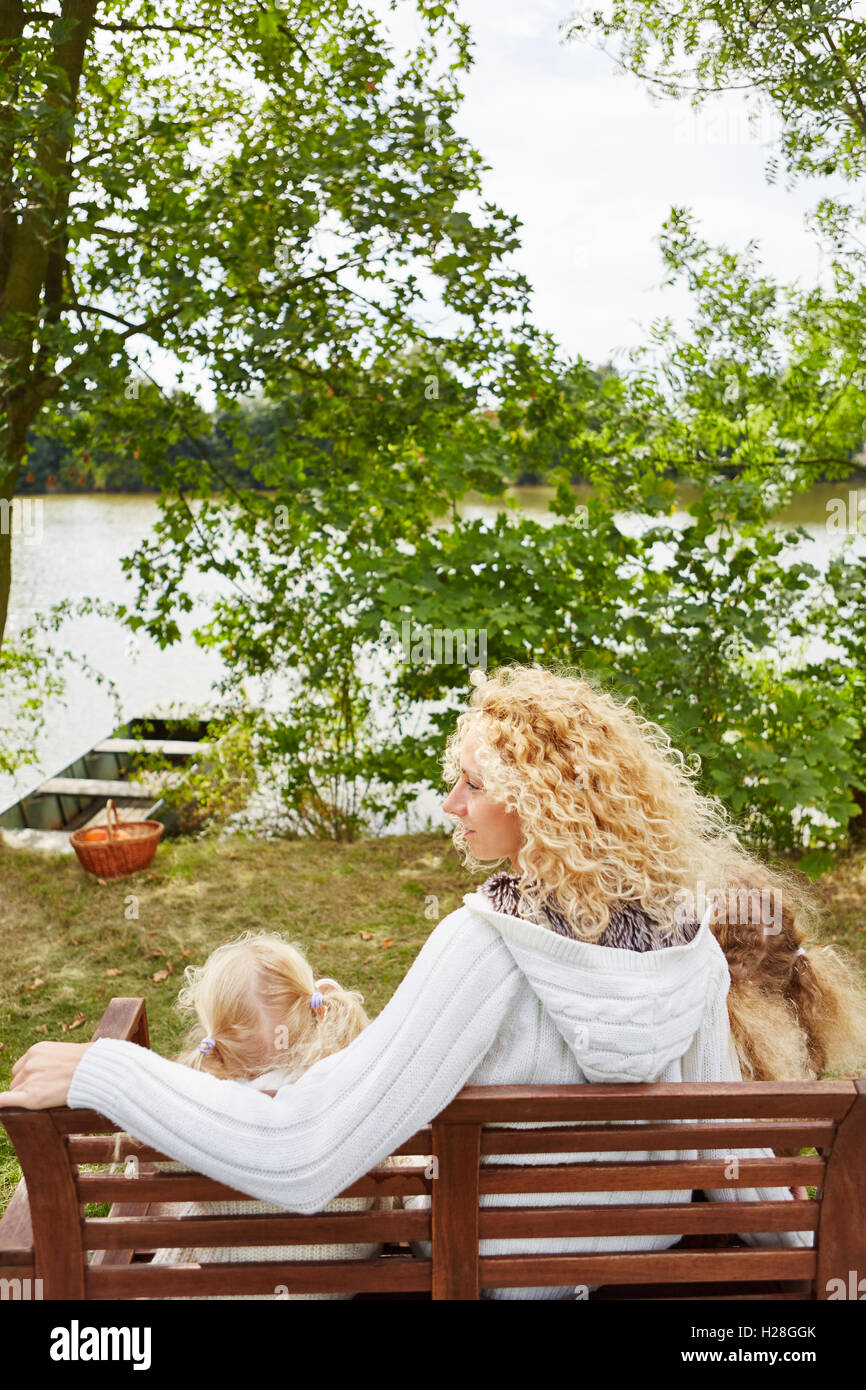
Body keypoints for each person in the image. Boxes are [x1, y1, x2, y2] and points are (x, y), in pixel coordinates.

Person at [5, 664, 865, 1300]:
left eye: (472, 785)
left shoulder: (485, 946)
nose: (450, 803)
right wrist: (816, 1256)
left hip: (489, 1261)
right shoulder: (689, 939)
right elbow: (718, 1146)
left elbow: (306, 1153)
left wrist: (100, 1071)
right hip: (632, 1242)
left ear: (541, 804)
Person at [136, 932, 406, 1299]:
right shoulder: (352, 1087)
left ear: (215, 1038)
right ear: (315, 1010)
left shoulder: (199, 1113)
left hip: (233, 1285)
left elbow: (164, 1161)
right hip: (341, 1274)